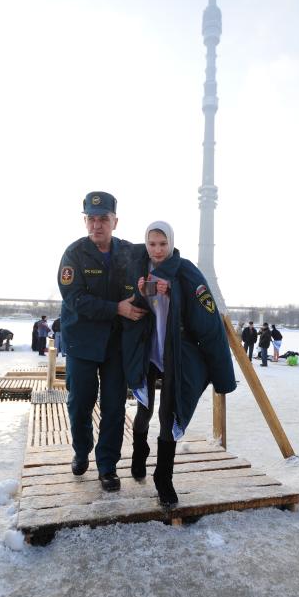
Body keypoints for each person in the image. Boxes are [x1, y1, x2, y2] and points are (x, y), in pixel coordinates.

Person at [122, 221, 236, 507]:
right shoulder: (139, 269)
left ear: (171, 243)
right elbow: (133, 309)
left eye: (163, 244)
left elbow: (207, 320)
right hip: (148, 348)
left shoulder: (185, 270)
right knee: (144, 409)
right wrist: (141, 292)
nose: (157, 250)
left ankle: (164, 478)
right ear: (146, 244)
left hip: (174, 351)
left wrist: (172, 292)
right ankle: (139, 455)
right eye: (152, 244)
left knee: (168, 413)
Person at [58, 191, 146, 492]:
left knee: (114, 406)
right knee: (80, 401)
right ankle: (82, 451)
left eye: (104, 219)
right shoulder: (74, 254)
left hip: (116, 344)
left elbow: (162, 257)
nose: (97, 225)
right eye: (92, 219)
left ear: (115, 221)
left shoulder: (130, 253)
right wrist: (116, 308)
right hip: (82, 341)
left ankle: (107, 466)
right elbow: (75, 299)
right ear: (86, 221)